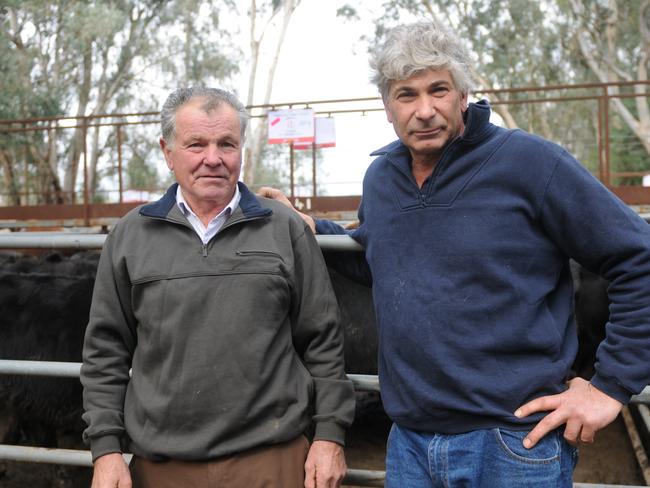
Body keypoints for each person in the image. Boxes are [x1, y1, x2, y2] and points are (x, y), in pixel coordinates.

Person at [260, 20, 650, 487]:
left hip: (514, 444)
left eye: (438, 90)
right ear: (387, 106)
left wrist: (610, 385)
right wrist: (311, 230)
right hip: (410, 444)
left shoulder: (530, 163)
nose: (424, 110)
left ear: (463, 94)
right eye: (406, 95)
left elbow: (638, 255)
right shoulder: (382, 178)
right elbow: (382, 259)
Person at [81, 86, 355, 488]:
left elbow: (323, 340)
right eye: (196, 144)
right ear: (167, 151)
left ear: (241, 150)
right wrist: (106, 451)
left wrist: (329, 436)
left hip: (272, 460)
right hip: (162, 466)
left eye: (227, 143)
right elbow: (105, 353)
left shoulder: (284, 228)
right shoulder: (130, 235)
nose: (213, 158)